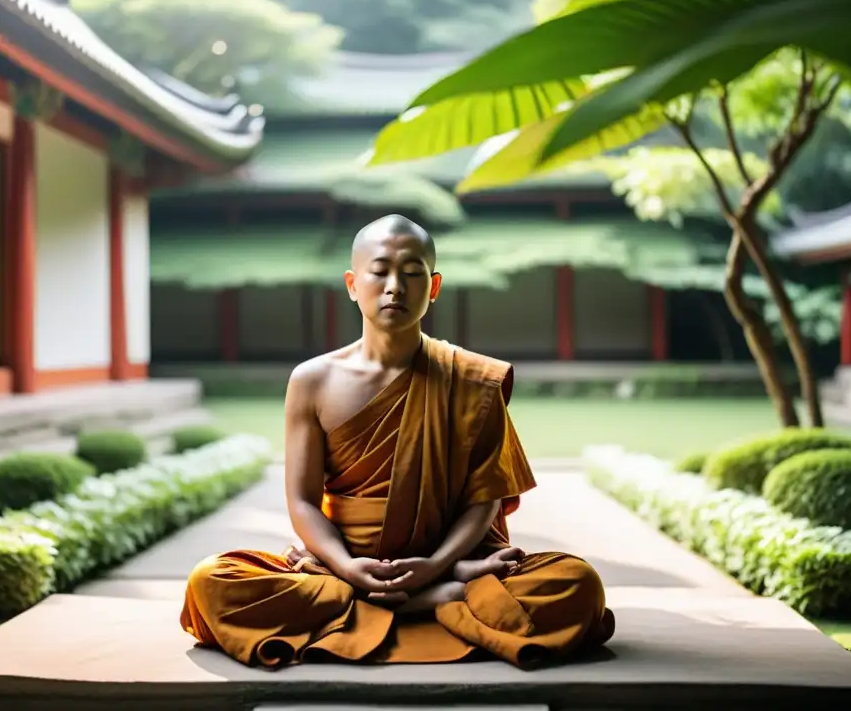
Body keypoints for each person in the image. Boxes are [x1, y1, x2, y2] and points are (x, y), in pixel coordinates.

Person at [180, 214, 614, 669]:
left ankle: (410, 593)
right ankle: (433, 600)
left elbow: (483, 502)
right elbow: (303, 503)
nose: (395, 286)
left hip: (449, 559)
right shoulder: (312, 380)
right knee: (211, 582)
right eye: (380, 270)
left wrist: (437, 563)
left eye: (412, 274)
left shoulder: (470, 378)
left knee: (578, 584)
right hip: (344, 566)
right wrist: (347, 567)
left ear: (434, 287)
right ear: (352, 283)